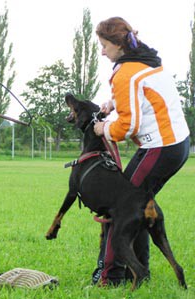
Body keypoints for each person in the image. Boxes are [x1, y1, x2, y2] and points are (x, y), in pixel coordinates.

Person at [92, 17, 190, 286]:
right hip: (176, 145)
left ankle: (111, 278)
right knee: (136, 207)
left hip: (159, 147)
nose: (102, 51)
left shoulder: (123, 73)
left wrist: (103, 129)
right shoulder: (147, 61)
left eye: (103, 45)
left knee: (120, 207)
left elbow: (128, 125)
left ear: (117, 45)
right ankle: (140, 271)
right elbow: (146, 94)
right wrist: (115, 102)